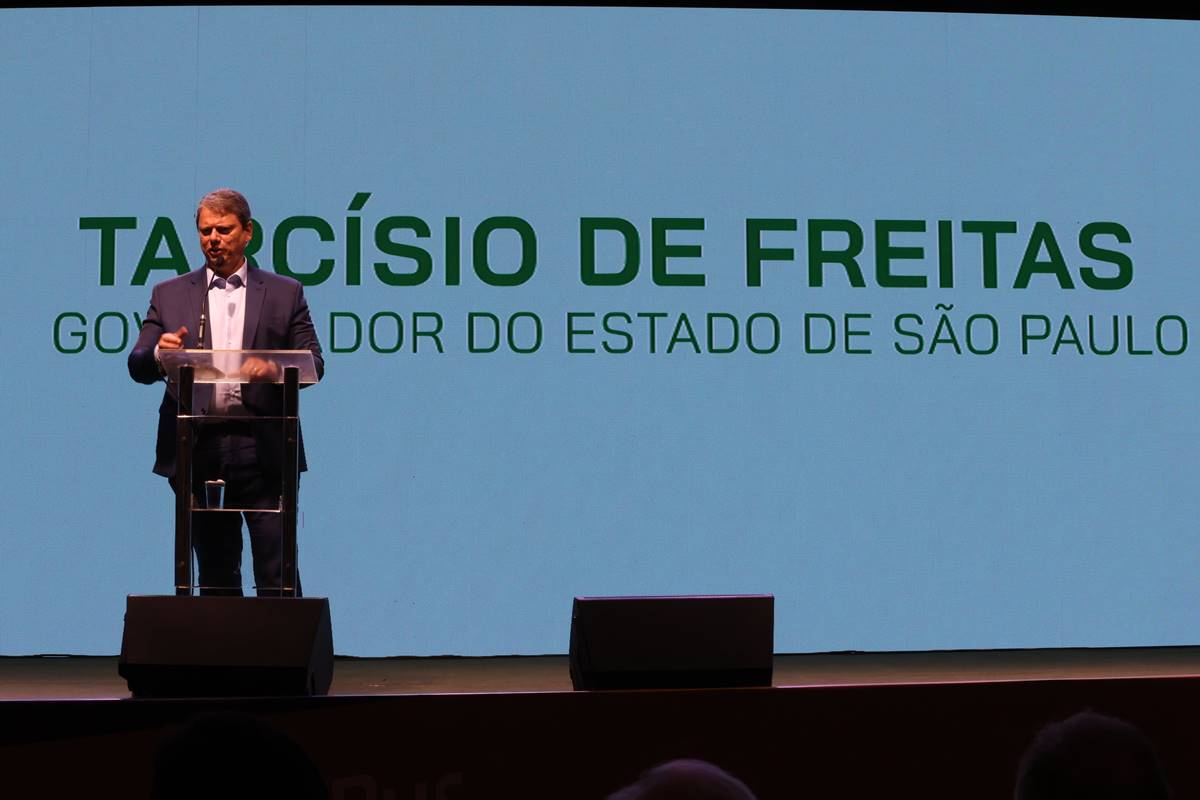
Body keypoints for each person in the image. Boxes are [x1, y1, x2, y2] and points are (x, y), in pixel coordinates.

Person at [129, 188, 324, 596]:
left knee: (277, 570)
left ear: (248, 232)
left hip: (263, 446)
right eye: (206, 232)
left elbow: (314, 362)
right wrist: (161, 353)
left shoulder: (285, 292)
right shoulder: (169, 293)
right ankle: (220, 639)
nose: (213, 239)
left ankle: (281, 639)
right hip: (197, 445)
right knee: (215, 573)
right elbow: (139, 362)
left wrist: (272, 369)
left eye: (224, 230)